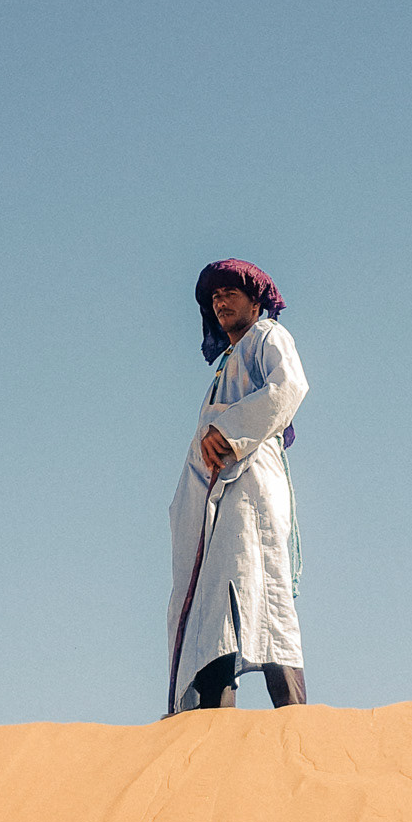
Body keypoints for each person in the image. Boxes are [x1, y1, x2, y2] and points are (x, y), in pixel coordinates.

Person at [167, 259, 308, 713]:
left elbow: (288, 387)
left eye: (230, 292)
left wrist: (228, 431)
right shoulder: (225, 364)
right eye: (214, 297)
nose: (220, 301)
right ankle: (211, 724)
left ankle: (295, 724)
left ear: (255, 299)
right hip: (213, 495)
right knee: (214, 602)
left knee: (259, 587)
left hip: (250, 482)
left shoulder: (268, 337)